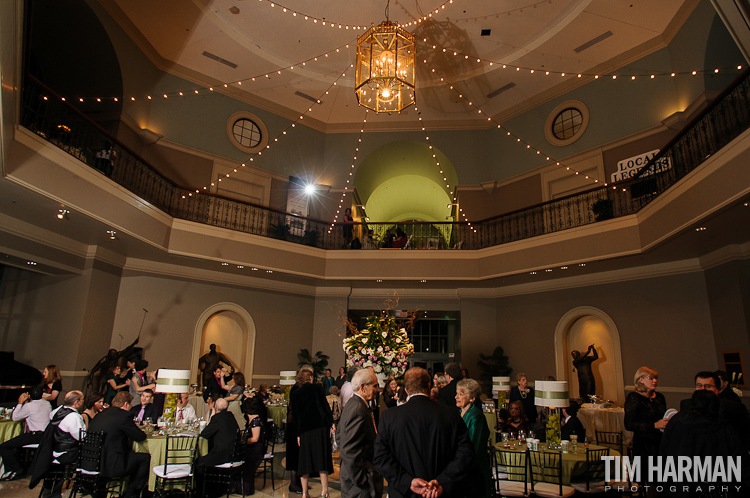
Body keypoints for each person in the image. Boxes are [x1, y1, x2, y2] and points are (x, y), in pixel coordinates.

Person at [373, 367, 475, 498]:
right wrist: (443, 481)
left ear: (406, 390)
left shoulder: (389, 417)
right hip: (440, 492)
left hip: (404, 493)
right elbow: (465, 453)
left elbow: (380, 456)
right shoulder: (451, 414)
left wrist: (407, 482)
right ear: (429, 385)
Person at [660, 390, 746, 496]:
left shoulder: (676, 422)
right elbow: (739, 459)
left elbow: (664, 452)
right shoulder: (724, 426)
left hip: (681, 481)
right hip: (714, 484)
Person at [87, 391, 150, 498]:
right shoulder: (123, 416)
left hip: (91, 460)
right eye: (130, 405)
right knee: (145, 458)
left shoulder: (100, 414)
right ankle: (131, 491)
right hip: (110, 464)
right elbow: (140, 437)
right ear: (126, 404)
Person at [339, 369, 383, 498]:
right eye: (375, 386)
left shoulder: (352, 404)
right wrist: (361, 479)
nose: (378, 389)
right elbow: (349, 450)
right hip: (357, 485)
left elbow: (340, 437)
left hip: (351, 479)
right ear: (363, 387)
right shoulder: (358, 409)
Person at [28, 390, 86, 489]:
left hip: (52, 450)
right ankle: (84, 484)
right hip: (66, 453)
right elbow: (81, 437)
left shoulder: (56, 411)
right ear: (77, 402)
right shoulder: (73, 417)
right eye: (82, 399)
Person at [679, 371, 750, 450]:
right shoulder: (686, 404)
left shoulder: (733, 407)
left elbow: (744, 436)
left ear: (718, 389)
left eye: (708, 386)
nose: (703, 389)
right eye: (699, 386)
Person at [291, 368, 334, 498]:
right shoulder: (316, 388)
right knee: (322, 459)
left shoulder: (295, 393)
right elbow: (325, 406)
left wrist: (298, 434)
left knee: (305, 461)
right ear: (310, 378)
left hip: (305, 430)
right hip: (319, 428)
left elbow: (296, 415)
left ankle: (304, 493)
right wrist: (331, 423)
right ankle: (324, 491)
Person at [0, 386, 51, 481]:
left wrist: (20, 403)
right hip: (45, 436)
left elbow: (15, 417)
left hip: (35, 435)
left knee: (4, 446)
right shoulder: (47, 404)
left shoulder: (29, 406)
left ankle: (15, 470)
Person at [624, 367, 668, 473]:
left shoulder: (659, 397)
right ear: (641, 379)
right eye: (651, 378)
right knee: (646, 475)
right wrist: (654, 425)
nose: (655, 381)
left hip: (660, 441)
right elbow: (629, 424)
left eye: (656, 378)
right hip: (643, 444)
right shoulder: (634, 397)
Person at [455, 378, 491, 498]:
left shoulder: (476, 416)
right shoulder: (459, 413)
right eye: (457, 393)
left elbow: (475, 447)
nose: (456, 397)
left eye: (461, 394)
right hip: (462, 469)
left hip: (474, 473)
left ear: (472, 398)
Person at [196, 398, 240, 481]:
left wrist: (212, 417)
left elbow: (204, 433)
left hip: (223, 455)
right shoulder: (231, 416)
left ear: (215, 408)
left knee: (199, 462)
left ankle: (202, 490)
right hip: (235, 454)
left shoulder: (217, 418)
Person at [287, 366, 313, 494]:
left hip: (299, 425)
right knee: (294, 457)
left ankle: (300, 483)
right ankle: (294, 484)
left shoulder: (300, 388)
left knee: (300, 456)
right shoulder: (297, 389)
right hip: (295, 427)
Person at [233, 395, 266, 495]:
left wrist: (243, 442)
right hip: (253, 448)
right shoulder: (252, 420)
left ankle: (244, 488)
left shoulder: (255, 421)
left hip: (255, 450)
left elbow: (255, 439)